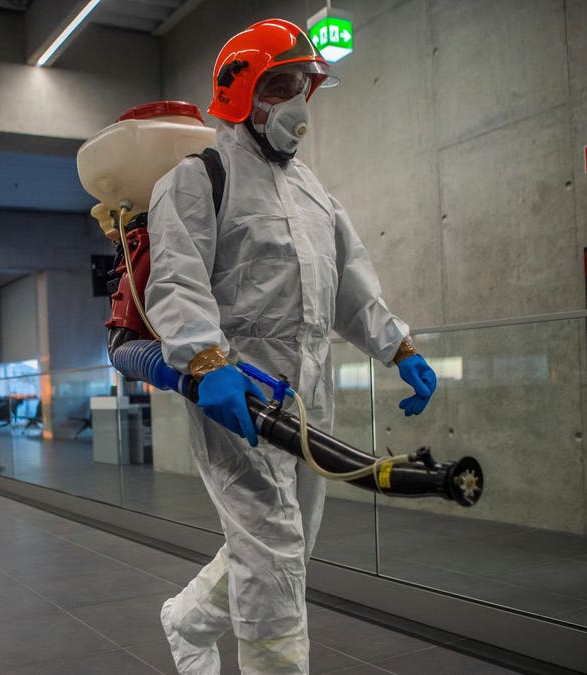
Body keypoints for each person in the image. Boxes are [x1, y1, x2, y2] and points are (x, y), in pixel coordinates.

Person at [145, 18, 438, 674]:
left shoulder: (315, 194)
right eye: (281, 85)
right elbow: (177, 280)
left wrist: (398, 347)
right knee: (273, 559)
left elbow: (350, 288)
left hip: (313, 388)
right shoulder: (199, 178)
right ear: (241, 91)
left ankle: (187, 620)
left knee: (287, 544)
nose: (298, 103)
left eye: (305, 86)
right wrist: (206, 361)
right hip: (239, 390)